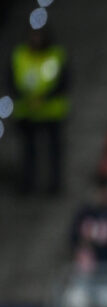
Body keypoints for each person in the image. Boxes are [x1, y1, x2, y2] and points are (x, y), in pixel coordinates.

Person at [9, 27, 69, 194]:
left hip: (52, 112)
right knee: (28, 151)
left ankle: (55, 185)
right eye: (32, 35)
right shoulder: (19, 55)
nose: (35, 39)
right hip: (27, 112)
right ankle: (28, 184)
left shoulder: (56, 54)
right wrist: (28, 98)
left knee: (53, 151)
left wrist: (44, 98)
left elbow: (64, 81)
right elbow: (11, 80)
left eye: (39, 35)